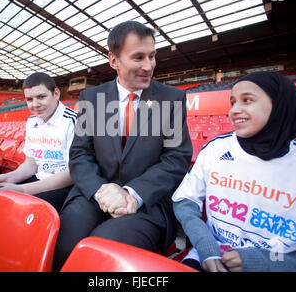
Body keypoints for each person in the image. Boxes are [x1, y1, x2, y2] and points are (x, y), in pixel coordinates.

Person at [172, 71, 296, 272]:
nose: (234, 111)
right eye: (233, 103)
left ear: (278, 105)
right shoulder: (215, 150)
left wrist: (264, 262)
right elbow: (184, 201)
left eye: (247, 100)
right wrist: (206, 245)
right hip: (210, 256)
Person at [52, 20, 193, 271]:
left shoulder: (172, 99)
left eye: (152, 56)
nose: (148, 66)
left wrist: (132, 194)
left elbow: (176, 158)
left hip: (147, 203)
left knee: (102, 251)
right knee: (66, 242)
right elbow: (80, 154)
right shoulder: (91, 98)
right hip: (94, 196)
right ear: (114, 61)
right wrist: (100, 192)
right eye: (138, 57)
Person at [0, 72, 76, 211]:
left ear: (56, 94)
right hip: (39, 180)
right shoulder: (31, 122)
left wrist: (22, 189)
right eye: (29, 99)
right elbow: (31, 163)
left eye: (41, 97)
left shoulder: (73, 121)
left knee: (16, 208)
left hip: (64, 186)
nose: (35, 105)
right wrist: (10, 178)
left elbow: (72, 174)